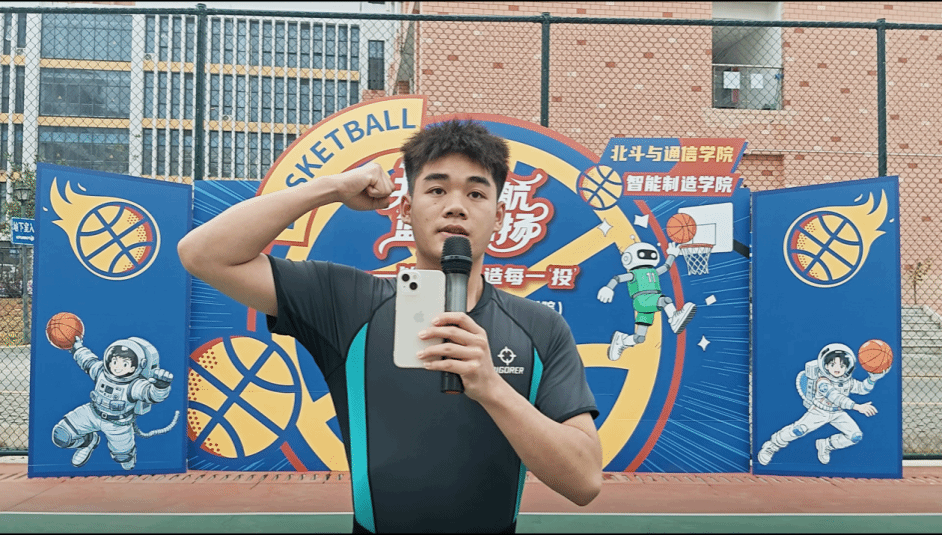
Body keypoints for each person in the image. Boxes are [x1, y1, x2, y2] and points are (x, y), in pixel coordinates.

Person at [177, 119, 602, 533]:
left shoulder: (540, 327)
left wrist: (493, 389)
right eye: (436, 189)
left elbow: (584, 482)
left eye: (476, 193)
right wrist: (332, 187)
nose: (456, 206)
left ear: (500, 214)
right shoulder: (346, 301)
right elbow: (202, 254)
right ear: (405, 209)